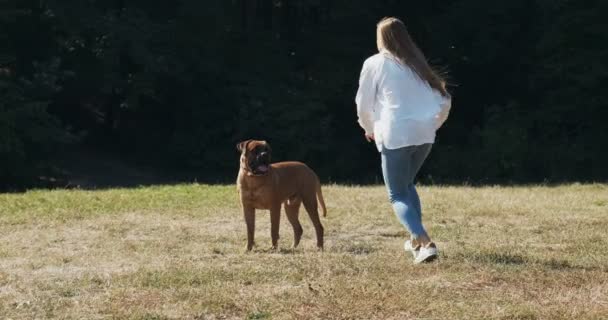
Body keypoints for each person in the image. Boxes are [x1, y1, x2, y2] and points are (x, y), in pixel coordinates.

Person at [355, 17, 451, 264]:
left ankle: (426, 241)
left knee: (396, 194)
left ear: (381, 39)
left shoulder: (375, 63)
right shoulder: (418, 65)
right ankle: (415, 242)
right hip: (424, 136)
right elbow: (444, 100)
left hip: (396, 134)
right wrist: (432, 125)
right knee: (407, 185)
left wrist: (369, 128)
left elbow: (363, 104)